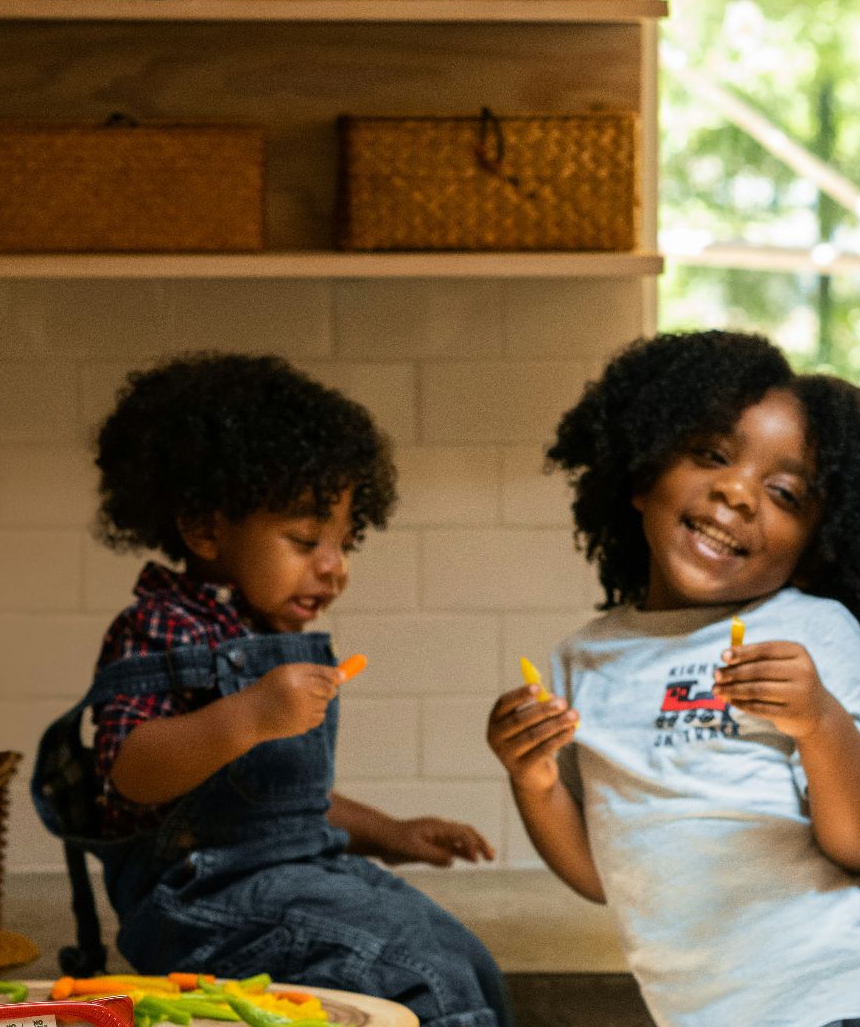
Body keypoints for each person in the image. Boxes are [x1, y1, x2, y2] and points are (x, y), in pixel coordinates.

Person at [486, 330, 860, 1027]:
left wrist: (820, 722)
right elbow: (600, 875)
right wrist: (531, 780)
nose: (737, 493)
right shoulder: (582, 661)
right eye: (711, 455)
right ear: (643, 474)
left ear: (815, 549)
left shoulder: (809, 630)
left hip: (855, 1001)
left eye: (786, 493)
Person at [31, 352, 512, 1027]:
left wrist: (392, 833)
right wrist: (250, 714)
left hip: (296, 875)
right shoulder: (163, 627)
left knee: (467, 965)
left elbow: (280, 800)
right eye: (306, 539)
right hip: (199, 899)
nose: (334, 568)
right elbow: (129, 773)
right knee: (424, 981)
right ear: (205, 528)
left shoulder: (260, 630)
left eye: (345, 543)